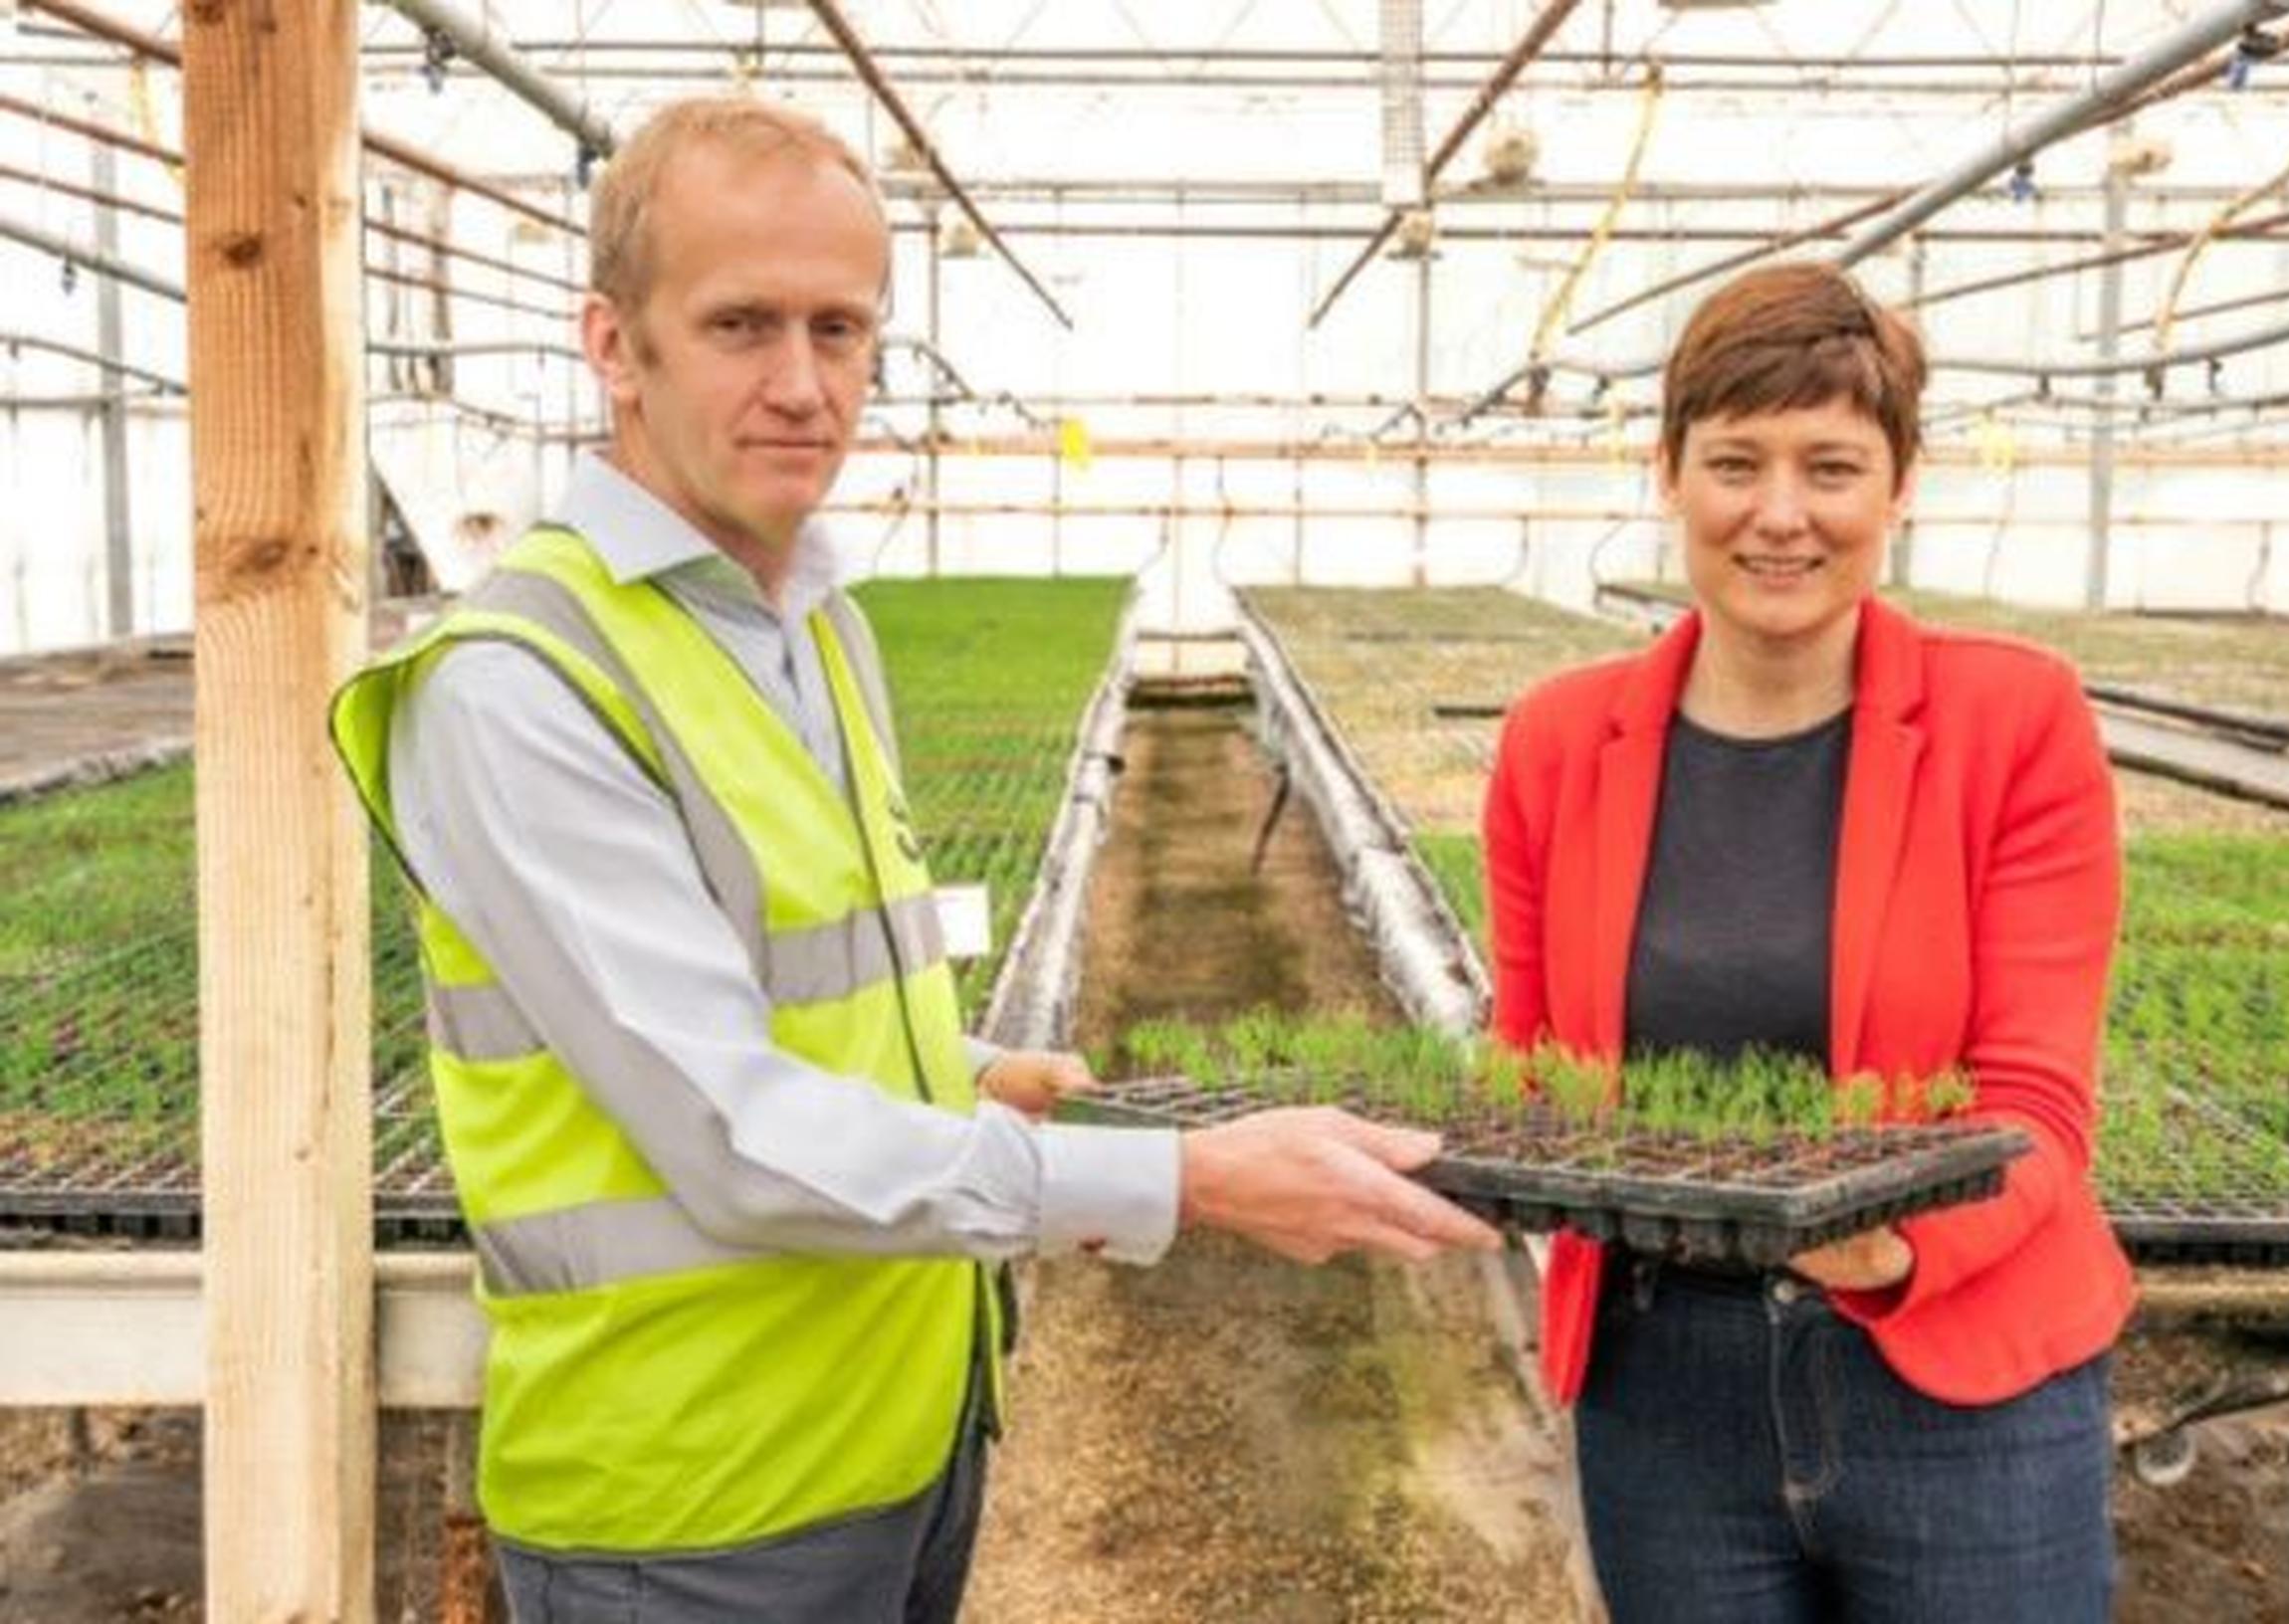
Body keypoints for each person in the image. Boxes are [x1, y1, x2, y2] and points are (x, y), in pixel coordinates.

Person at [331, 96, 1496, 1623]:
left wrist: (956, 1063)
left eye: (844, 328)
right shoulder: (523, 683)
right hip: (692, 1505)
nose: (804, 384)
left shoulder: (815, 625)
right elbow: (733, 1132)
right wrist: (1183, 1184)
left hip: (898, 1439)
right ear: (614, 345)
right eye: (742, 324)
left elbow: (791, 990)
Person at [1484, 262, 2132, 1621]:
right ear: (1666, 473)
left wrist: (1893, 1249)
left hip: (1962, 1380)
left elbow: (2035, 1101)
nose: (1779, 515)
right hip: (1662, 1392)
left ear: (1898, 487)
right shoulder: (1558, 741)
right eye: (1734, 462)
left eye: (1830, 467)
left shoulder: (2011, 722)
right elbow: (1533, 1065)